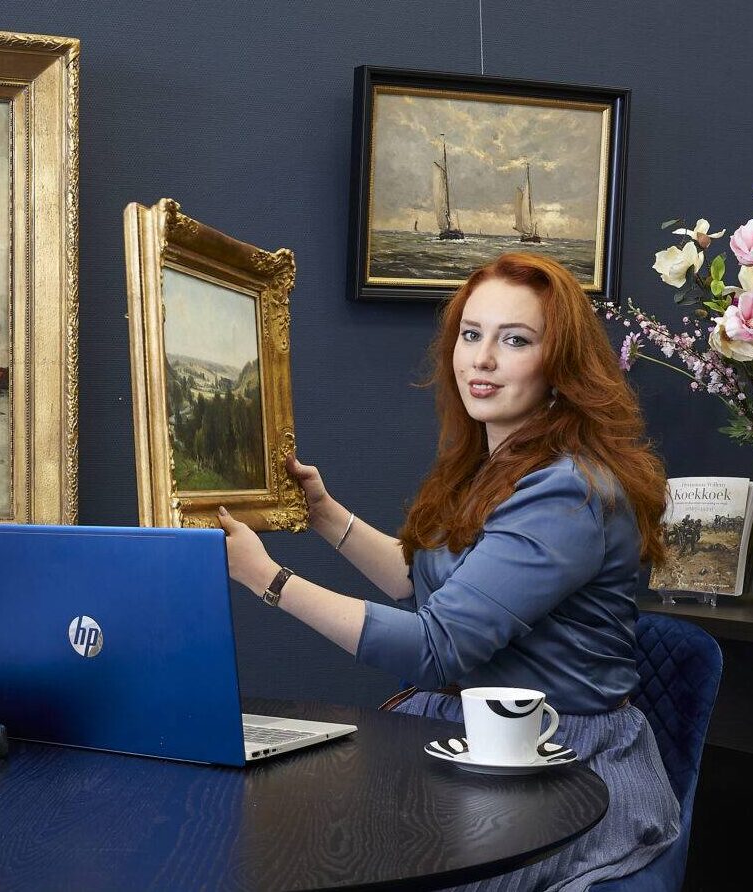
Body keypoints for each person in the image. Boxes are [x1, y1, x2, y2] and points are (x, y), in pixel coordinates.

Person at [216, 251, 676, 891]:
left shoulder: (568, 492)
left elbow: (437, 647)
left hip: (555, 759)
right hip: (473, 739)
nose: (481, 359)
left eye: (515, 340)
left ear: (561, 365)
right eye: (471, 333)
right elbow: (419, 582)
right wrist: (323, 514)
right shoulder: (493, 463)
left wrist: (269, 581)